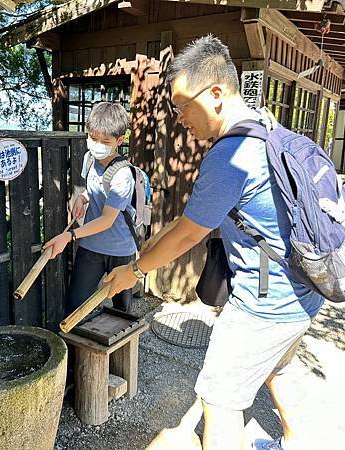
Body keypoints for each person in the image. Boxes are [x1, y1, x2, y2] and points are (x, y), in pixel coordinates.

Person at [104, 36, 324, 450]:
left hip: (265, 304)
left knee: (218, 403)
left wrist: (133, 272)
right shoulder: (267, 128)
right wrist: (145, 252)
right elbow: (188, 221)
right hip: (304, 291)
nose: (180, 117)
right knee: (277, 369)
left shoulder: (232, 154)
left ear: (217, 94)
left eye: (184, 106)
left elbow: (190, 233)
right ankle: (295, 440)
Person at [43, 102, 137, 315]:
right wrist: (82, 198)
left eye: (105, 141)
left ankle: (119, 346)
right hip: (91, 245)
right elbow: (91, 189)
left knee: (122, 309)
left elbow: (107, 219)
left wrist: (69, 236)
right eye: (93, 138)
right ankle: (77, 346)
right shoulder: (89, 158)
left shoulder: (123, 175)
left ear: (119, 141)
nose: (97, 144)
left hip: (120, 249)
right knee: (76, 303)